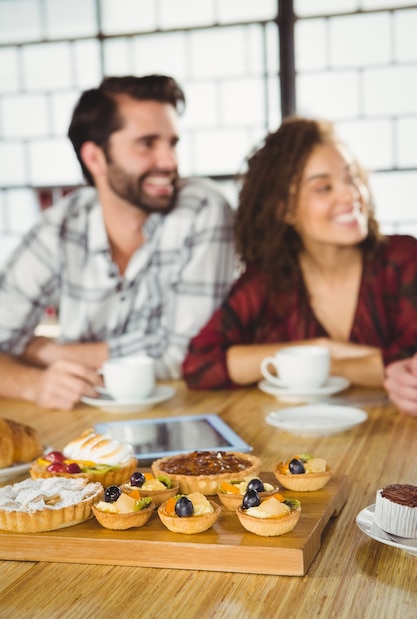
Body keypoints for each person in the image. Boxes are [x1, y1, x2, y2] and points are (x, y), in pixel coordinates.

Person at [0, 75, 235, 409]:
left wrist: (46, 352)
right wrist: (33, 384)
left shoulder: (202, 209)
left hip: (188, 409)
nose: (169, 162)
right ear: (95, 158)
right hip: (80, 414)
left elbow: (189, 355)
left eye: (172, 143)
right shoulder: (60, 227)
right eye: (147, 144)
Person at [182, 117, 417, 390]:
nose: (350, 194)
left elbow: (411, 366)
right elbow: (200, 365)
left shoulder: (403, 260)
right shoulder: (268, 281)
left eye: (351, 177)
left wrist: (321, 363)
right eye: (323, 188)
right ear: (285, 210)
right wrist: (318, 347)